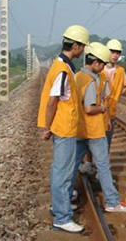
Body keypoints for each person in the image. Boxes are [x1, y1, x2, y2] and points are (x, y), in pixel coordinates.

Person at [37, 25, 89, 233]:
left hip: (65, 127)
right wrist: (46, 128)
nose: (83, 50)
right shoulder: (62, 70)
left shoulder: (61, 66)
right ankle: (62, 216)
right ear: (74, 46)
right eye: (82, 46)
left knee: (61, 170)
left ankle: (61, 205)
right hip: (64, 128)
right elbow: (52, 102)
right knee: (63, 172)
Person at [73, 42, 126, 213]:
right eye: (102, 64)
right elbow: (90, 108)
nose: (103, 68)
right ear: (96, 63)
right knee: (103, 165)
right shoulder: (90, 80)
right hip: (94, 130)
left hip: (80, 129)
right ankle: (112, 202)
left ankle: (68, 195)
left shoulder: (77, 76)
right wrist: (103, 108)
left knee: (72, 164)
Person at [103, 39, 126, 149]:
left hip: (111, 110)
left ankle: (100, 164)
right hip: (98, 110)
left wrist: (117, 95)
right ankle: (91, 163)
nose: (115, 55)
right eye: (112, 52)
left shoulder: (120, 71)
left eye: (117, 53)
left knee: (107, 142)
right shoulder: (99, 68)